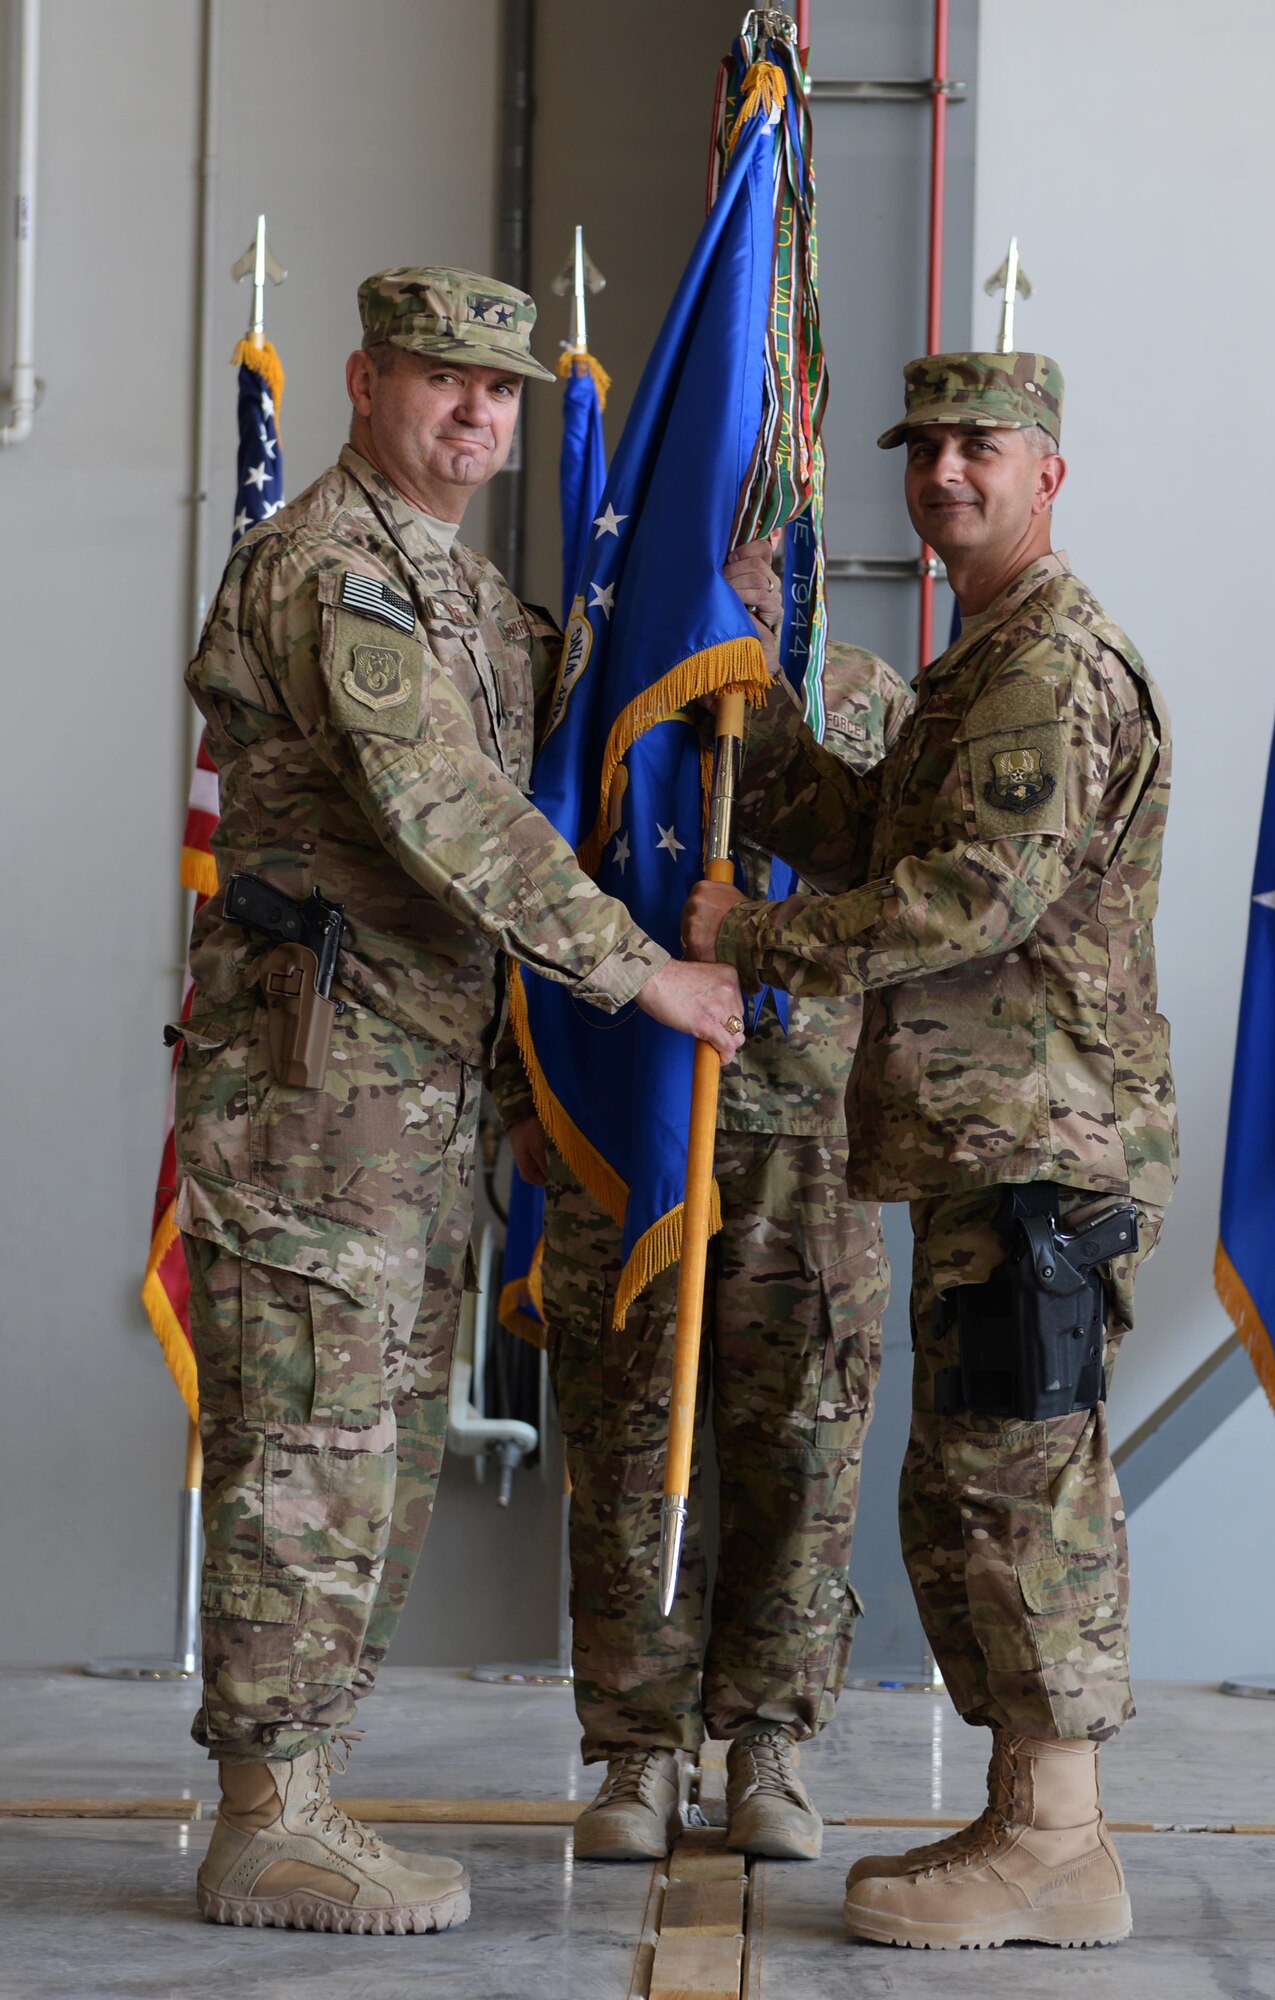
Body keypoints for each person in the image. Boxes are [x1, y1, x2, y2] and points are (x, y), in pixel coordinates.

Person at [174, 267, 748, 1936]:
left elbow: (579, 718)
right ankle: (264, 1813)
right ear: (362, 384)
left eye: (500, 395)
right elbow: (446, 812)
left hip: (409, 1097)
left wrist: (715, 626)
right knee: (307, 1450)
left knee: (381, 1456)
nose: (474, 416)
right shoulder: (335, 570)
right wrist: (641, 973)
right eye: (440, 382)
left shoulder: (463, 596)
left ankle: (304, 1794)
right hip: (315, 1097)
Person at [683, 353, 1176, 1951]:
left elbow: (975, 895)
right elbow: (870, 833)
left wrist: (753, 934)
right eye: (930, 446)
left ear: (1049, 471)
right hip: (986, 1140)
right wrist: (743, 684)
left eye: (983, 446)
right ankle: (1026, 1816)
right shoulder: (979, 665)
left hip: (1044, 1136)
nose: (947, 470)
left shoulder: (1047, 667)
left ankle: (1060, 1843)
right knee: (970, 1479)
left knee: (1024, 1486)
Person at [498, 642, 912, 1864]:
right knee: (627, 1437)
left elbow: (922, 910)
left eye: (775, 519)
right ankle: (638, 1744)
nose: (752, 551)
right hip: (629, 1135)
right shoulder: (612, 671)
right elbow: (515, 875)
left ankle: (768, 1742)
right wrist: (518, 1082)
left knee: (802, 1446)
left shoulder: (870, 700)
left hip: (812, 1141)